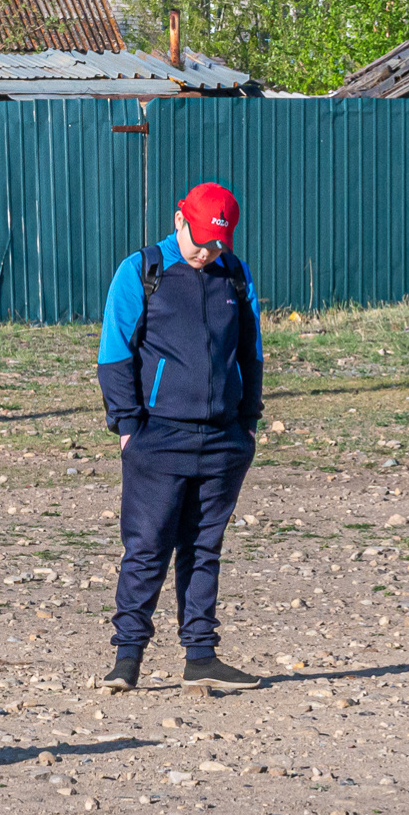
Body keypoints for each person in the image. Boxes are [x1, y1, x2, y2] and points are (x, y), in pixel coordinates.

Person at [96, 182, 264, 693]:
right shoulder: (142, 271)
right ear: (178, 220)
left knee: (204, 548)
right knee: (147, 547)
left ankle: (201, 656)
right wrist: (128, 428)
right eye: (200, 241)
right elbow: (114, 354)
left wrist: (247, 423)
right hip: (156, 438)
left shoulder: (233, 275)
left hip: (222, 440)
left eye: (217, 244)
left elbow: (250, 352)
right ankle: (127, 659)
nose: (207, 252)